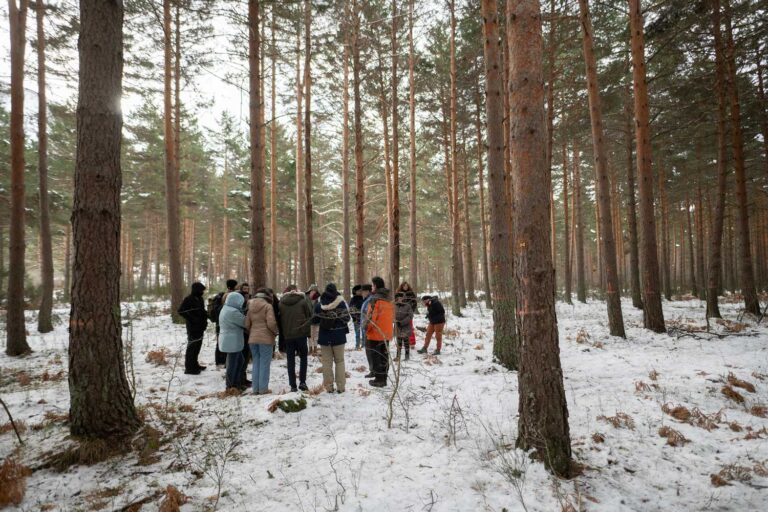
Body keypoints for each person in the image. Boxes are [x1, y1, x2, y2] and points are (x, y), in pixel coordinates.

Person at [313, 283, 351, 393]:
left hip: (325, 337)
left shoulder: (320, 304)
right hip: (339, 336)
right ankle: (341, 387)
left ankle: (329, 387)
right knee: (340, 361)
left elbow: (314, 320)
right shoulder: (341, 303)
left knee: (326, 363)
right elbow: (347, 318)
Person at [279, 285, 313, 392]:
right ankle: (302, 382)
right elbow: (309, 316)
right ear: (296, 291)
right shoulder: (303, 302)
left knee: (290, 361)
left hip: (288, 336)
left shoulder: (281, 303)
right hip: (301, 334)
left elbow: (280, 319)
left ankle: (293, 385)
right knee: (303, 358)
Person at [245, 287, 278, 394]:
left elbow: (246, 324)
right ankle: (263, 389)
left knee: (256, 363)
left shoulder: (250, 307)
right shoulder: (268, 306)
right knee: (264, 364)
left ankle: (255, 389)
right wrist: (275, 332)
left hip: (253, 339)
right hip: (266, 339)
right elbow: (271, 323)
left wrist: (253, 332)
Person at [363, 277, 394, 387]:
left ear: (375, 286)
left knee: (376, 357)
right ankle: (384, 378)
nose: (371, 287)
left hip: (375, 333)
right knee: (384, 357)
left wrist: (366, 327)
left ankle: (379, 380)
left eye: (372, 285)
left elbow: (371, 318)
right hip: (386, 333)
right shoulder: (388, 299)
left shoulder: (375, 299)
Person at [218, 292, 247, 390]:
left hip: (229, 340)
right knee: (233, 364)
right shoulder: (233, 312)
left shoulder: (226, 308)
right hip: (232, 341)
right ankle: (231, 385)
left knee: (239, 361)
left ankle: (236, 383)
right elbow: (245, 322)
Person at [178, 282, 209, 375]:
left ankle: (195, 364)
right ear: (196, 290)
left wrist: (206, 318)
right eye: (201, 290)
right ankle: (189, 368)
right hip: (192, 328)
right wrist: (193, 319)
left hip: (200, 327)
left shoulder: (200, 298)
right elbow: (181, 311)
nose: (202, 292)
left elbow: (202, 311)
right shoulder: (188, 299)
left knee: (197, 347)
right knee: (192, 347)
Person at [209, 279, 237, 368]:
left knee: (223, 341)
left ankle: (223, 361)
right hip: (222, 323)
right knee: (221, 342)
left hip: (222, 322)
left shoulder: (222, 296)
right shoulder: (226, 296)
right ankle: (220, 362)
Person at [358, 284, 374, 376]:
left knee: (370, 351)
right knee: (368, 351)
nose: (361, 293)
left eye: (363, 291)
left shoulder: (370, 300)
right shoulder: (366, 300)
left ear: (368, 291)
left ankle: (373, 371)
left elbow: (369, 316)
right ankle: (372, 370)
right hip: (366, 329)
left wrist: (365, 326)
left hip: (369, 329)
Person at [396, 281, 418, 348]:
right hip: (400, 313)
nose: (405, 287)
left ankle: (412, 343)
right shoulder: (398, 293)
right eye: (404, 286)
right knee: (400, 328)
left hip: (408, 313)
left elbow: (415, 303)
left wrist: (411, 310)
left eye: (406, 286)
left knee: (409, 327)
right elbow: (396, 302)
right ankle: (401, 343)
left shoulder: (411, 294)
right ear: (402, 286)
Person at [394, 292, 414, 361]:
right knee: (399, 342)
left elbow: (410, 316)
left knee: (406, 342)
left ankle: (407, 356)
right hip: (397, 327)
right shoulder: (395, 305)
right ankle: (398, 356)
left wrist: (402, 322)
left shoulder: (408, 306)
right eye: (398, 298)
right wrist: (394, 320)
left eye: (401, 298)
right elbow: (392, 314)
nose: (400, 299)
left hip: (406, 326)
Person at [348, 285, 365, 350]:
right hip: (356, 319)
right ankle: (357, 346)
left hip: (363, 319)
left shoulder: (363, 298)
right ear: (355, 291)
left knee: (364, 333)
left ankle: (363, 345)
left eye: (361, 290)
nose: (360, 292)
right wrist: (354, 317)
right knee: (357, 334)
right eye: (359, 291)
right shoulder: (353, 299)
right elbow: (351, 310)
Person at [306, 284, 320, 356]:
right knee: (310, 335)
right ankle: (310, 349)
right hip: (309, 320)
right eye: (312, 291)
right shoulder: (306, 299)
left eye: (315, 291)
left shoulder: (318, 299)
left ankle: (315, 348)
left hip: (317, 321)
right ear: (309, 291)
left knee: (316, 335)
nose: (313, 292)